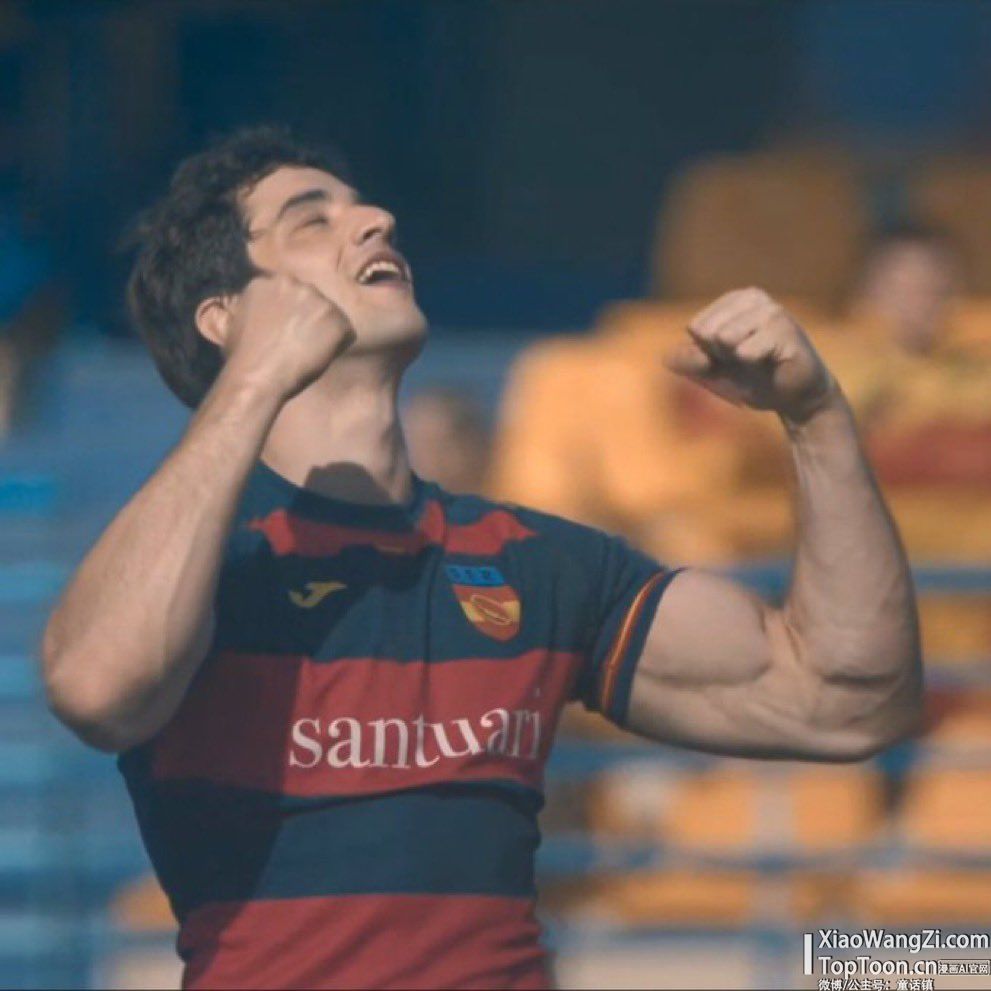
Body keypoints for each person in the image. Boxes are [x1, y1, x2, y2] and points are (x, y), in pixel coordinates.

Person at [41, 127, 921, 991]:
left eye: (364, 207)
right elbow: (96, 686)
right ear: (223, 317)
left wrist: (817, 418)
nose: (377, 220)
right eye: (312, 219)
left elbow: (846, 701)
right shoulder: (197, 565)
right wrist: (252, 379)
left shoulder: (531, 562)